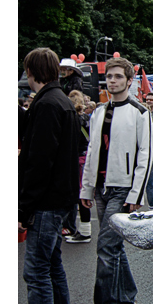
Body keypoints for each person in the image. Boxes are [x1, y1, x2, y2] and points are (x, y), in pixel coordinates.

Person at [18, 48, 80, 304]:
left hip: (44, 202)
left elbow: (37, 163)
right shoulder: (63, 103)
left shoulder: (45, 106)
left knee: (37, 272)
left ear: (32, 71)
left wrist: (23, 207)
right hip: (60, 199)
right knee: (52, 266)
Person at [80, 57, 153, 304]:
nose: (112, 81)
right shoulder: (98, 112)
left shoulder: (140, 112)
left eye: (118, 77)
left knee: (106, 246)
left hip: (122, 188)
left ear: (129, 80)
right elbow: (91, 153)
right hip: (101, 187)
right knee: (114, 246)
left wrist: (136, 194)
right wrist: (87, 187)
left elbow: (145, 154)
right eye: (109, 77)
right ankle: (126, 297)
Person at [64, 90, 92, 243]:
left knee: (78, 194)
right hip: (86, 157)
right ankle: (83, 229)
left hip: (76, 158)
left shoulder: (71, 119)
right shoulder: (87, 118)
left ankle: (81, 230)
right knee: (83, 193)